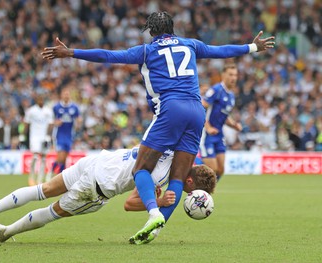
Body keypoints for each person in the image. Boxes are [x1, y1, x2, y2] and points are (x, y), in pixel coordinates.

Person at [41, 11, 274, 243]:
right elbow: (221, 51)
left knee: (140, 168)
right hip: (196, 111)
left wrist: (71, 52)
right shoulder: (190, 44)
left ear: (151, 32)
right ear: (172, 28)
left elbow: (108, 56)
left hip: (171, 108)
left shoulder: (147, 50)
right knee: (179, 177)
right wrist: (252, 48)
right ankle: (155, 229)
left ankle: (153, 212)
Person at [0, 146, 216, 244]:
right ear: (190, 181)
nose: (186, 194)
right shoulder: (163, 177)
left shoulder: (171, 148)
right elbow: (129, 205)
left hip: (99, 160)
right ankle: (6, 233)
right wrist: (159, 202)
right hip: (98, 186)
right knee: (53, 212)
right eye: (190, 191)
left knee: (40, 190)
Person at [200, 63, 243, 181]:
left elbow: (224, 115)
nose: (233, 78)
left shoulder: (231, 96)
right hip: (207, 134)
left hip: (219, 135)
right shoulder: (216, 90)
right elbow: (200, 108)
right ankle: (193, 169)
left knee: (221, 170)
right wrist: (208, 127)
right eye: (230, 74)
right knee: (211, 170)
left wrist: (234, 125)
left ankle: (206, 194)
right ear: (223, 75)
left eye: (235, 75)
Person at [46, 87, 81, 181]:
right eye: (64, 94)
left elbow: (78, 119)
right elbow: (50, 120)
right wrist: (55, 123)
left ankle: (60, 177)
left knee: (65, 158)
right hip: (59, 135)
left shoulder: (74, 107)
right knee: (60, 157)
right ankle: (50, 173)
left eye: (67, 94)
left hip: (69, 135)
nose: (66, 96)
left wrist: (78, 123)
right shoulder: (56, 107)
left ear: (69, 95)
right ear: (61, 95)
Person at [23, 93, 55, 186]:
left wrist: (48, 136)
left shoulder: (48, 111)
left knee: (44, 158)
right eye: (39, 99)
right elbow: (26, 123)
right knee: (35, 156)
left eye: (42, 99)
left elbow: (51, 124)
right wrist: (23, 135)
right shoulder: (31, 111)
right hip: (34, 136)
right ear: (36, 100)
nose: (40, 101)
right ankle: (31, 177)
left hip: (44, 136)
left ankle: (40, 179)